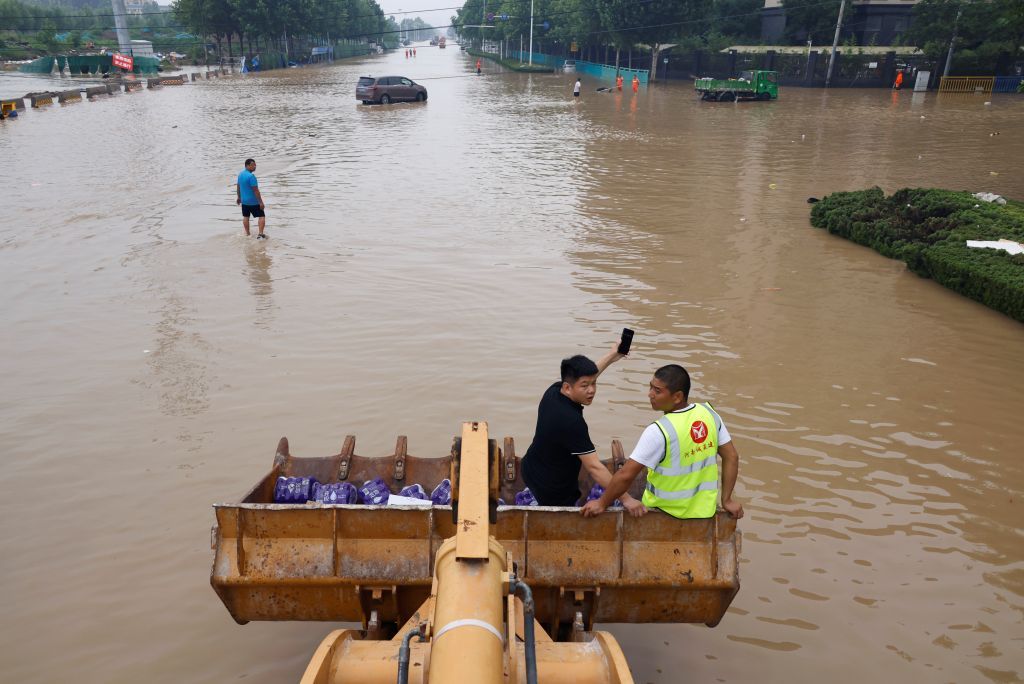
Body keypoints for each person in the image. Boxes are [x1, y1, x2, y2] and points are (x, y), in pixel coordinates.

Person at [581, 364, 744, 521]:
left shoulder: (659, 431)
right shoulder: (709, 414)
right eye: (650, 387)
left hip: (663, 512)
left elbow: (625, 475)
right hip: (704, 512)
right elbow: (732, 457)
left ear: (677, 397)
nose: (650, 394)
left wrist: (601, 503)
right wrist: (727, 500)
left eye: (657, 391)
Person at [521, 346, 646, 516]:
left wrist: (612, 355)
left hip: (531, 469)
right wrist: (627, 499)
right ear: (567, 388)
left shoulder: (553, 392)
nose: (592, 390)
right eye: (585, 386)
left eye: (594, 383)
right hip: (552, 491)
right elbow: (594, 467)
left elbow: (587, 376)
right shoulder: (571, 422)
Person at [236, 158, 267, 239]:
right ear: (247, 165)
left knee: (246, 217)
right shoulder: (251, 176)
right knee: (262, 216)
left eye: (255, 164)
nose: (255, 166)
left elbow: (238, 187)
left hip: (244, 201)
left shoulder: (240, 174)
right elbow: (256, 191)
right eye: (253, 165)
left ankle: (248, 234)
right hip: (253, 201)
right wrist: (261, 202)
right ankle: (260, 234)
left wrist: (239, 197)